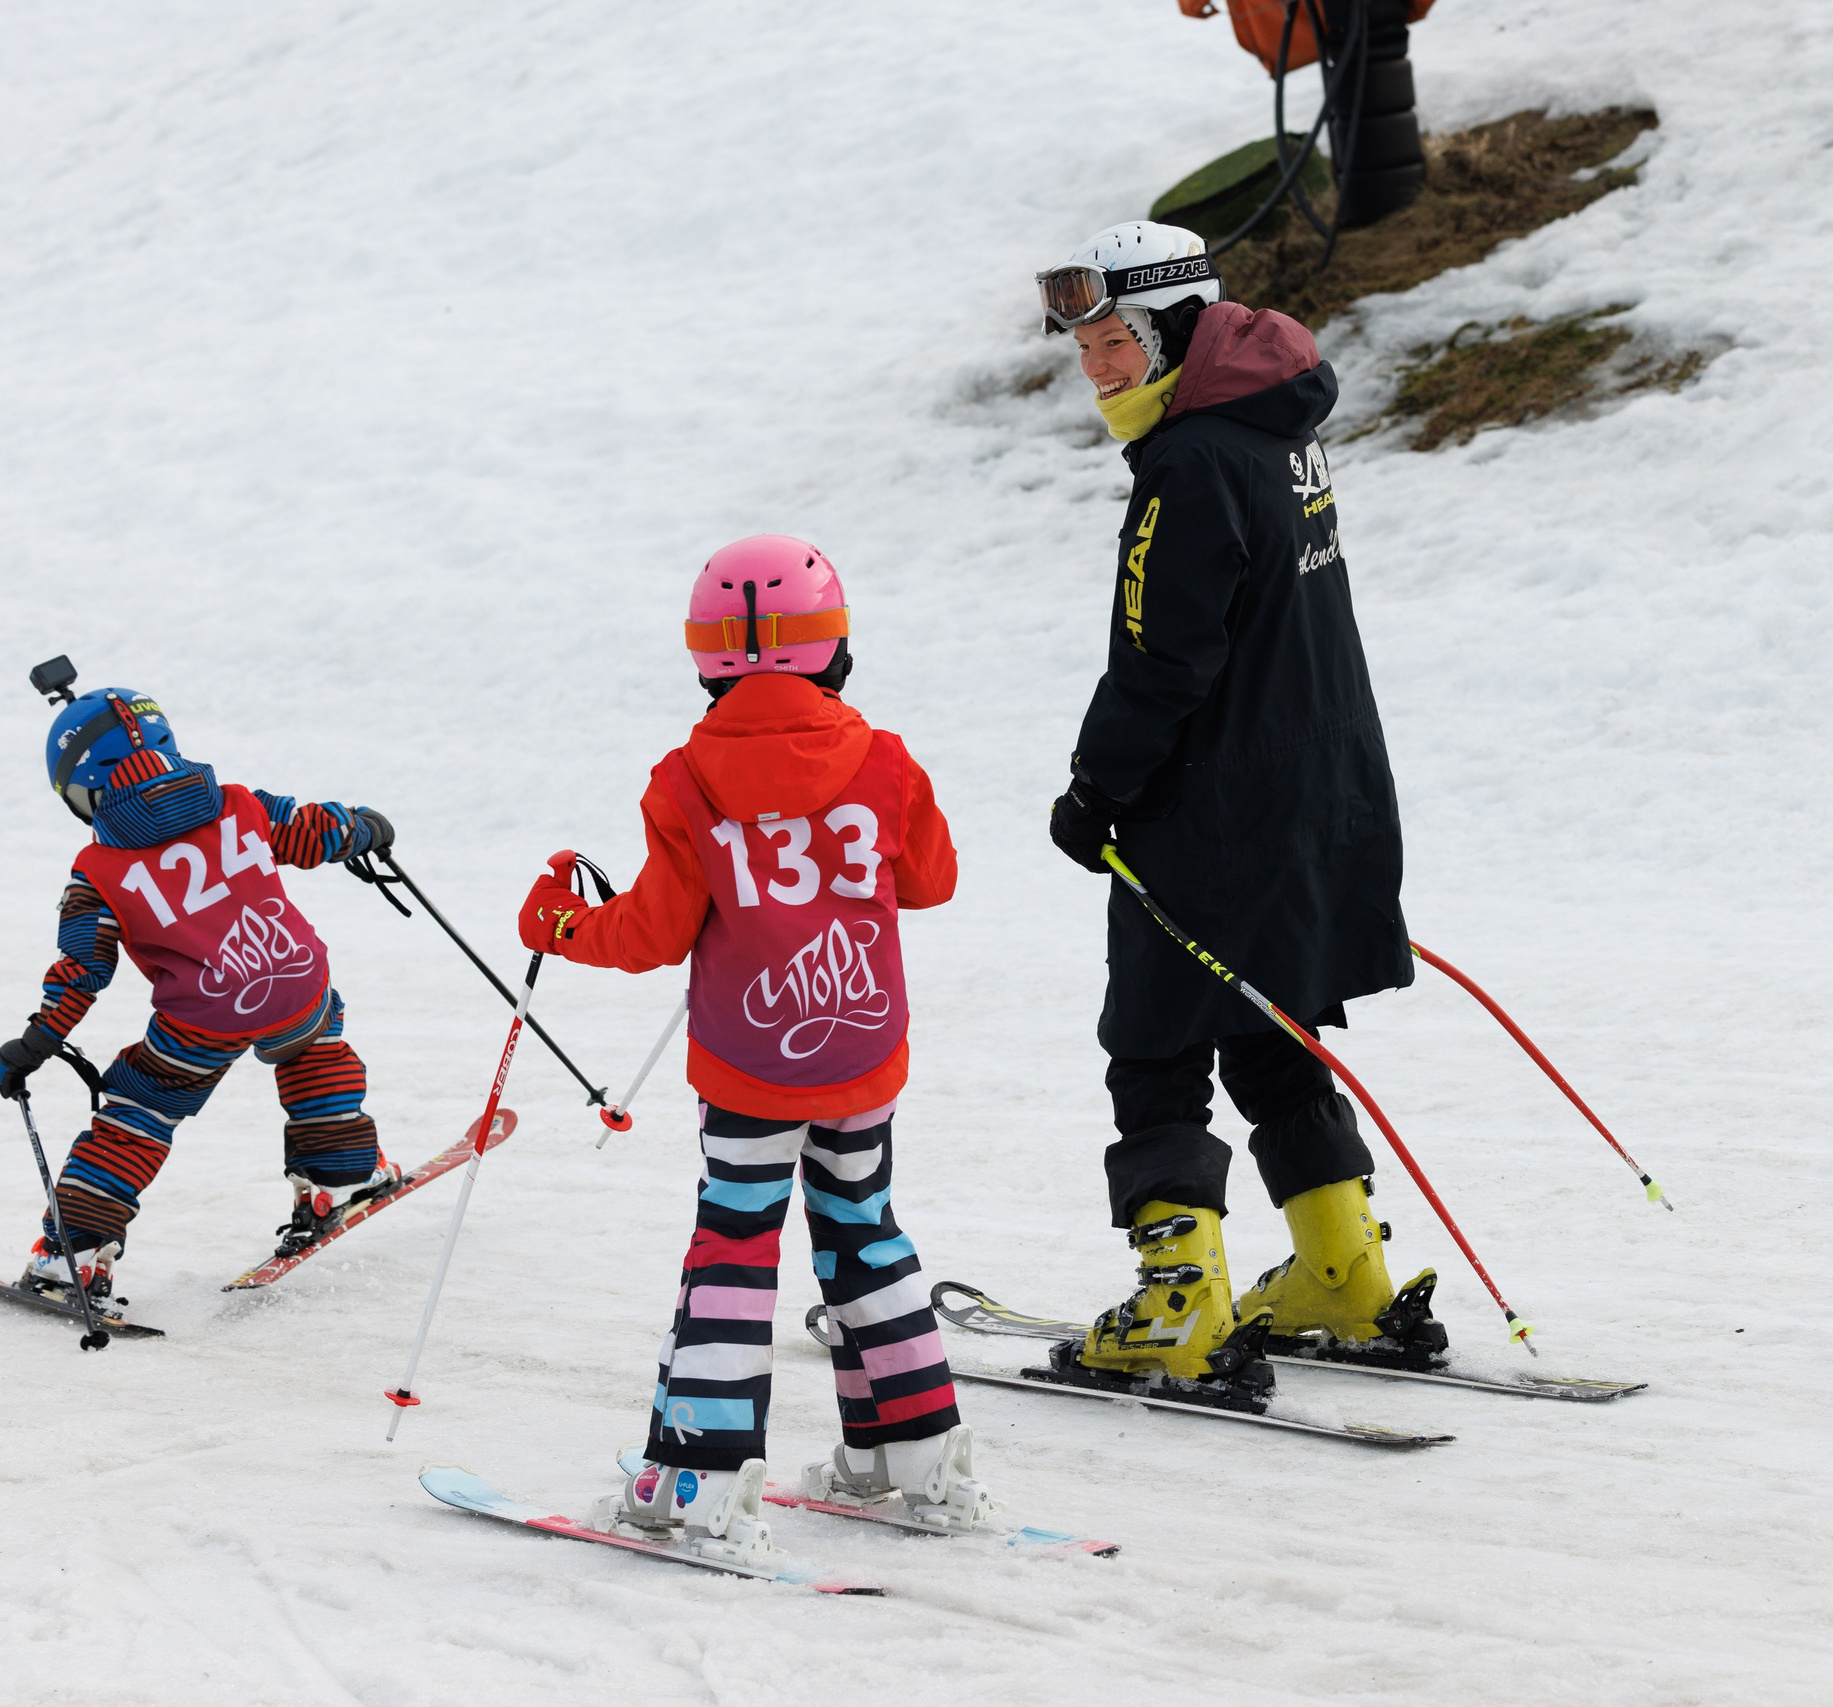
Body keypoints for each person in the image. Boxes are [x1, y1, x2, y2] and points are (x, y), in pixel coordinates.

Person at [514, 535, 992, 1567]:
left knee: (733, 1247)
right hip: (861, 1048)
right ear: (835, 647)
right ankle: (914, 1454)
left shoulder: (686, 779)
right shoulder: (885, 759)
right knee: (864, 1233)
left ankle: (698, 1474)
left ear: (707, 658)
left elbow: (650, 933)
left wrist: (560, 922)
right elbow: (932, 880)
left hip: (748, 1067)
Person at [1034, 220, 1444, 1389]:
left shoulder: (1189, 461)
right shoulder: (1278, 430)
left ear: (1173, 330)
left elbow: (1161, 654)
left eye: (1115, 342)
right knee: (1270, 1025)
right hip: (1321, 789)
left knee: (1155, 1040)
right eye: (1083, 348)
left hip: (1212, 809)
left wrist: (1097, 787)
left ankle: (1181, 1301)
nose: (1096, 369)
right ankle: (1342, 1271)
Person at [0, 681, 400, 1302]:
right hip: (296, 978)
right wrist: (363, 829)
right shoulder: (240, 804)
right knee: (313, 1046)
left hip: (202, 1017)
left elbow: (84, 967)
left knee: (140, 1111)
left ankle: (75, 1252)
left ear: (86, 790)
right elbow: (313, 830)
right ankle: (341, 1173)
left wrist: (38, 1039)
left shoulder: (97, 871)